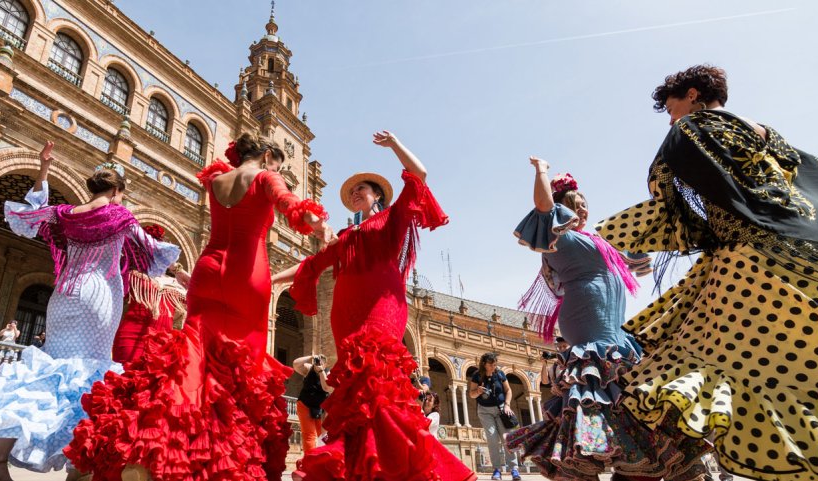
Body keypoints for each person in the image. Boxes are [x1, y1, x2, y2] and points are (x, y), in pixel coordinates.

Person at [596, 64, 818, 481]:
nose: (671, 118)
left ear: (692, 95)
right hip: (803, 255)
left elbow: (667, 196)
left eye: (672, 108)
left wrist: (614, 236)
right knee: (785, 365)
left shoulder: (693, 130)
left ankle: (648, 469)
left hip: (744, 266)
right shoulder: (767, 134)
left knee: (683, 374)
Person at [65, 132, 333, 481]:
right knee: (239, 372)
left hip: (207, 269)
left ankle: (150, 445)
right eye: (277, 163)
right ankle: (216, 461)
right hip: (247, 275)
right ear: (267, 156)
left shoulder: (218, 179)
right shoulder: (268, 176)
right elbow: (288, 204)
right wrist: (318, 223)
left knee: (191, 358)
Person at [0, 140, 180, 481]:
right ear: (118, 191)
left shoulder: (66, 214)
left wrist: (44, 169)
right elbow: (153, 252)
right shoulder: (119, 214)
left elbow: (30, 214)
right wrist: (187, 276)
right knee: (90, 379)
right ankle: (82, 467)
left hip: (62, 296)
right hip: (99, 296)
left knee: (48, 374)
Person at [274, 131, 474, 481]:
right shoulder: (345, 236)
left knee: (378, 379)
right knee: (356, 391)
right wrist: (271, 279)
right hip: (345, 314)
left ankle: (406, 463)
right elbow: (310, 266)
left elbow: (420, 176)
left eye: (361, 189)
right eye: (352, 192)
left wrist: (395, 144)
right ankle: (366, 467)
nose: (355, 193)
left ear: (377, 194)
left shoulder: (391, 218)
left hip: (383, 305)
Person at [505, 159, 709, 481]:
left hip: (616, 334)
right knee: (598, 396)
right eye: (576, 204)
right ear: (564, 209)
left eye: (585, 204)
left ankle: (634, 465)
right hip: (590, 331)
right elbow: (543, 207)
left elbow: (640, 253)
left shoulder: (600, 241)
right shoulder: (561, 239)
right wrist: (541, 171)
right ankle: (591, 458)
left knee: (626, 399)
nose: (583, 210)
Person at [111, 223, 190, 364]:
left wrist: (177, 269)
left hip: (162, 347)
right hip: (130, 338)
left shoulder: (176, 284)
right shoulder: (131, 274)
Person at [469, 352, 521, 481]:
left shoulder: (500, 374)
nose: (494, 366)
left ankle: (514, 469)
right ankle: (496, 469)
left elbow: (508, 390)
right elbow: (471, 394)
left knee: (507, 438)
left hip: (501, 410)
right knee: (492, 439)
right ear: (484, 364)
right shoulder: (477, 375)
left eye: (495, 364)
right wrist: (478, 391)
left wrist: (507, 405)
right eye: (491, 364)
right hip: (485, 411)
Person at [293, 354, 335, 454]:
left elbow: (326, 388)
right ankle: (310, 461)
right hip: (305, 405)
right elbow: (295, 364)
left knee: (324, 435)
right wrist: (311, 357)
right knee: (309, 434)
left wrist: (321, 371)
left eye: (321, 362)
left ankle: (325, 458)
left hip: (321, 409)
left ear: (325, 365)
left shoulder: (327, 373)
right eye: (317, 361)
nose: (318, 364)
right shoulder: (309, 369)